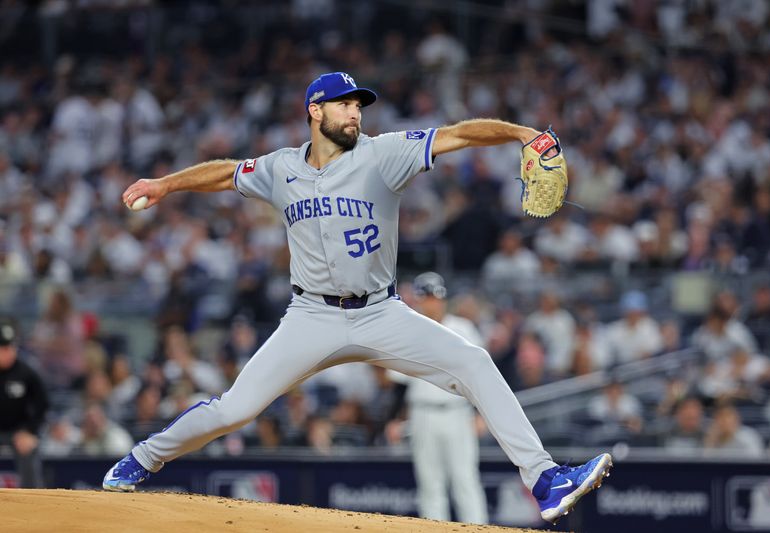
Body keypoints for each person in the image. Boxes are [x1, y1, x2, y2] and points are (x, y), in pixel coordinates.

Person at [102, 71, 612, 523]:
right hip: (310, 316)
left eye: (358, 105)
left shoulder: (383, 153)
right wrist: (165, 185)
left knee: (474, 362)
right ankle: (145, 457)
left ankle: (545, 479)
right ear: (315, 110)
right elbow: (225, 171)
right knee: (235, 409)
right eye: (345, 104)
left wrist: (522, 133)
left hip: (380, 312)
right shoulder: (282, 168)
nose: (355, 113)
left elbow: (458, 135)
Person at [389, 272, 489, 524]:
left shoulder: (463, 328)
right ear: (419, 300)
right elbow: (399, 385)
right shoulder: (408, 331)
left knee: (465, 479)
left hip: (458, 413)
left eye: (436, 297)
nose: (432, 302)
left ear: (443, 299)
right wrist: (392, 419)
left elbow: (479, 376)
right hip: (422, 414)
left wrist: (481, 413)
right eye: (427, 297)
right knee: (430, 483)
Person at [0, 321, 49, 488]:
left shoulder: (26, 372)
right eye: (2, 348)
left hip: (18, 431)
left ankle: (33, 497)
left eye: (10, 347)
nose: (7, 352)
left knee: (28, 447)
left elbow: (43, 404)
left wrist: (30, 431)